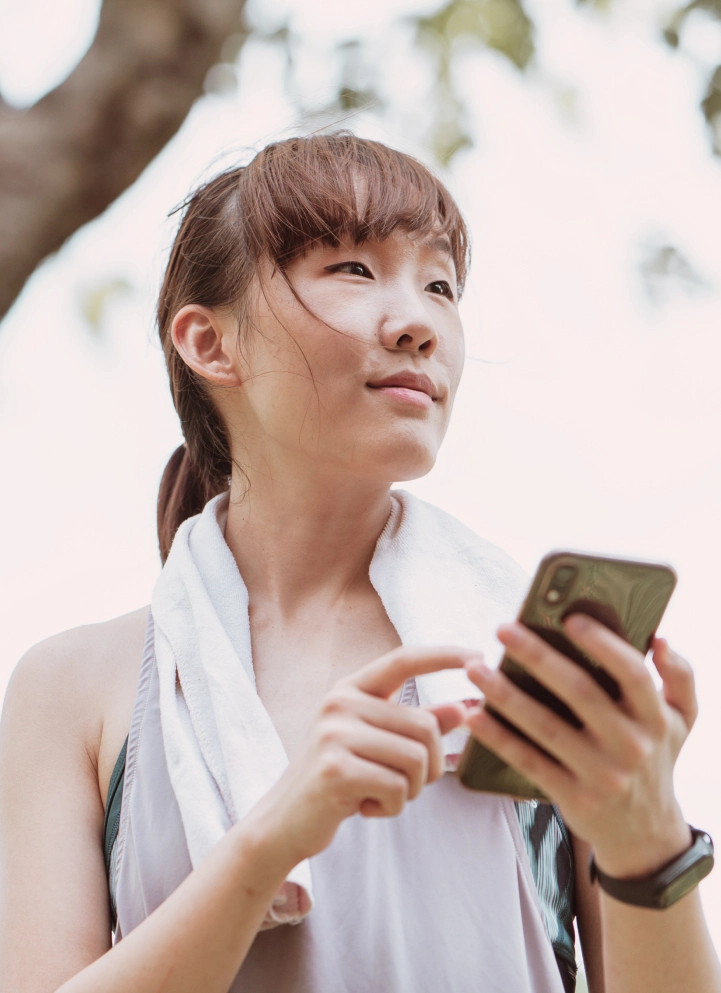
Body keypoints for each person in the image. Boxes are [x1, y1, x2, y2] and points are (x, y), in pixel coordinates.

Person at [0, 132, 718, 993]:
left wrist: (647, 842)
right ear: (208, 343)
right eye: (351, 268)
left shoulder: (523, 666)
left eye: (441, 284)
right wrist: (271, 842)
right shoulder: (79, 687)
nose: (419, 321)